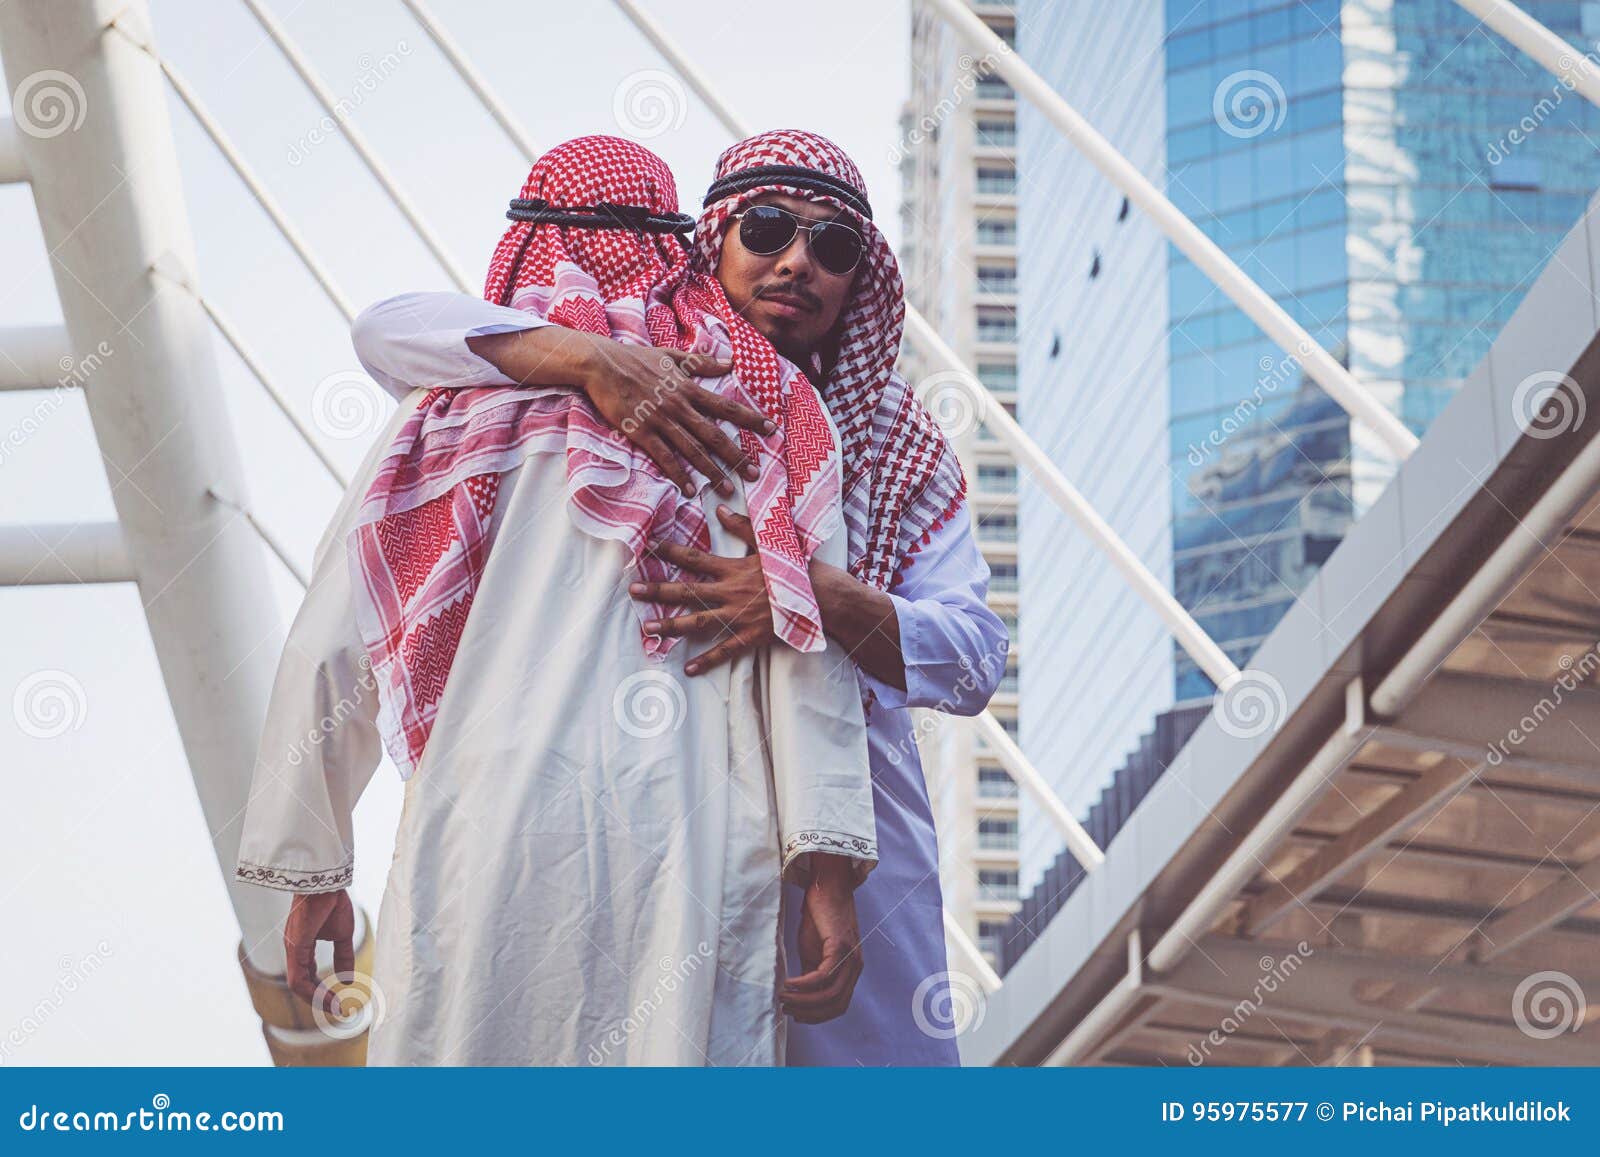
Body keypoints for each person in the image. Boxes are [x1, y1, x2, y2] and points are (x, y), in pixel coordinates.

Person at [354, 129, 1009, 1065]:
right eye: (770, 228)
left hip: (856, 842)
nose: (796, 262)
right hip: (666, 828)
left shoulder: (901, 441)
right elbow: (387, 327)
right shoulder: (641, 378)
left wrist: (808, 592)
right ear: (712, 239)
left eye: (833, 248)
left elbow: (975, 655)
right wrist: (587, 361)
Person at [234, 136, 879, 1066]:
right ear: (685, 245)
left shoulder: (444, 410)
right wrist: (828, 877)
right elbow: (802, 650)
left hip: (485, 817)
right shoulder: (759, 403)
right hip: (687, 828)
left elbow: (334, 643)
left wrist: (312, 866)